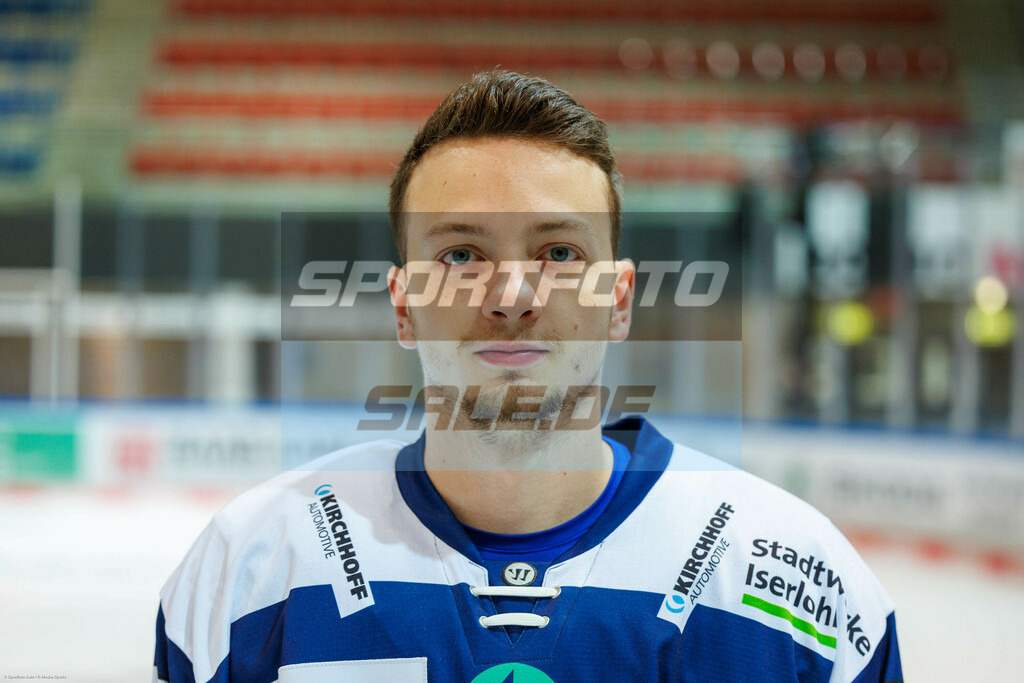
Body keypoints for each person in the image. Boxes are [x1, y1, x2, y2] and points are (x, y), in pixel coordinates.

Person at [155, 70, 902, 683]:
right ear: (404, 305)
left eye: (559, 253)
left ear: (618, 300)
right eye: (460, 254)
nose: (511, 296)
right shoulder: (252, 569)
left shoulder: (799, 586)